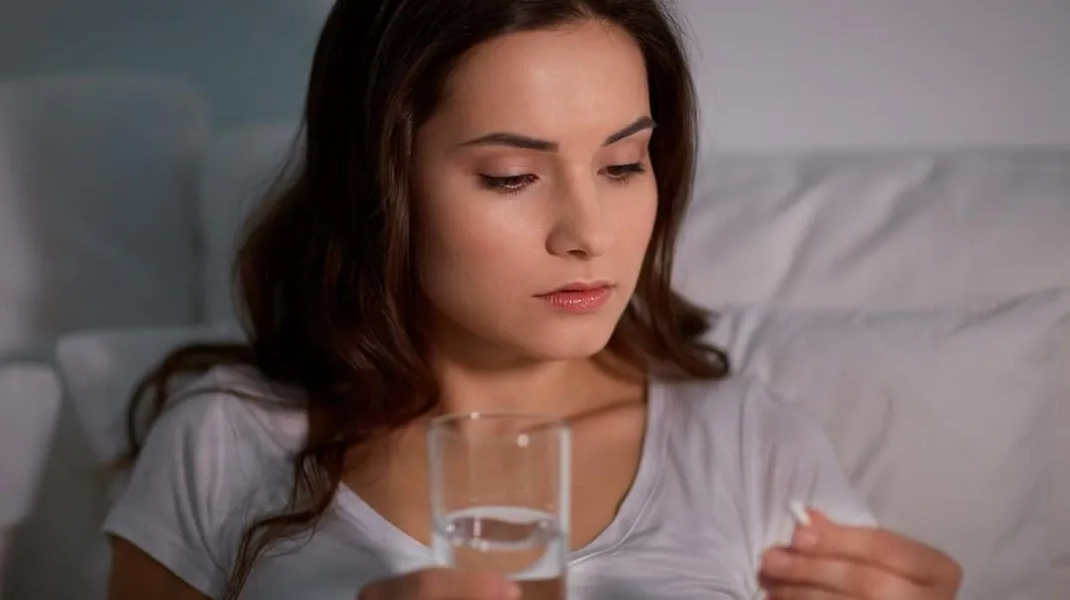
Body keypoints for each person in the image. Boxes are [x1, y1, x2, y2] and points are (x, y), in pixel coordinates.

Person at [103, 1, 963, 598]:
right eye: (512, 176)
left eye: (623, 164)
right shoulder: (224, 441)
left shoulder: (748, 446)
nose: (588, 232)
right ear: (380, 184)